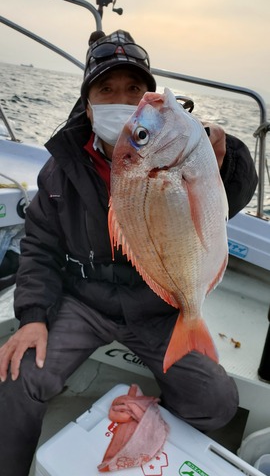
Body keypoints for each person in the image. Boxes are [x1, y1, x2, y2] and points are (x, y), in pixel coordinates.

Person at [0, 29, 258, 476]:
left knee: (216, 402)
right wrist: (34, 317)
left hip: (156, 305)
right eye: (107, 89)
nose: (121, 98)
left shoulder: (182, 150)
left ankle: (144, 423)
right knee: (19, 375)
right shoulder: (60, 172)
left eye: (134, 88)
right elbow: (38, 246)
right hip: (84, 303)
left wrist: (225, 155)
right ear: (88, 103)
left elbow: (229, 196)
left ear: (148, 96)